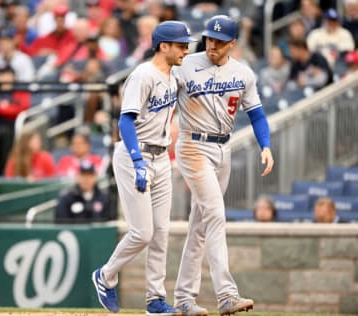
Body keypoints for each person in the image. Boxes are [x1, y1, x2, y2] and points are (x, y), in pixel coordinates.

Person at [172, 15, 274, 316]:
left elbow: (256, 114)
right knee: (216, 214)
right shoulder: (186, 64)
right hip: (192, 145)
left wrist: (266, 145)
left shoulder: (243, 73)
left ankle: (184, 300)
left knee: (199, 228)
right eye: (209, 39)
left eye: (219, 41)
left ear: (232, 43)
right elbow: (161, 91)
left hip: (222, 149)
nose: (212, 45)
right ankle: (226, 295)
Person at [91, 21, 194, 315]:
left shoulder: (173, 76)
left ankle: (155, 300)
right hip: (134, 157)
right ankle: (106, 275)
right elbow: (125, 121)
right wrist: (137, 161)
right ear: (164, 46)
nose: (186, 50)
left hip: (161, 157)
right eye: (181, 45)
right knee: (142, 232)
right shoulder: (143, 75)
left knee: (161, 232)